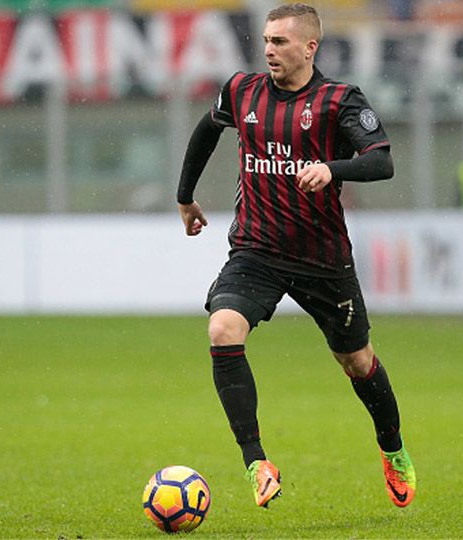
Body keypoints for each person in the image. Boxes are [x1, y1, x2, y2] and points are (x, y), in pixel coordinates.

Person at [176, 3, 416, 509]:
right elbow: (205, 130)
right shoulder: (241, 91)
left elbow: (383, 162)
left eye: (281, 42)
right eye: (266, 40)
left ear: (310, 47)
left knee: (356, 361)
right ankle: (256, 462)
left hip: (322, 257)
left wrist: (333, 168)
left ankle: (392, 448)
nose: (269, 50)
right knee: (222, 328)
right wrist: (185, 196)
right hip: (256, 250)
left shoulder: (339, 100)